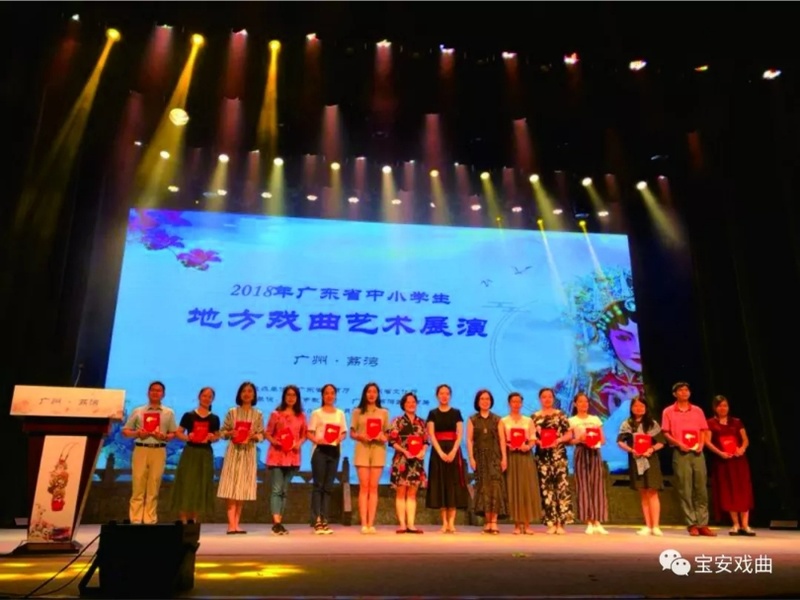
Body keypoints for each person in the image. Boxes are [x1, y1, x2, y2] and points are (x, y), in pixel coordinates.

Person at [661, 382, 715, 536]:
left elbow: (703, 430)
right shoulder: (668, 411)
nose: (684, 392)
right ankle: (691, 523)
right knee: (685, 488)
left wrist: (701, 444)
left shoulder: (697, 410)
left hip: (698, 453)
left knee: (701, 488)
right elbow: (666, 432)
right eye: (681, 390)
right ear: (674, 394)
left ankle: (703, 523)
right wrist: (679, 444)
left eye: (686, 390)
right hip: (681, 452)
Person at [122, 381, 178, 524]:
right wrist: (137, 433)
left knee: (154, 485)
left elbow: (173, 433)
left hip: (159, 449)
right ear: (148, 392)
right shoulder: (138, 411)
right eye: (153, 390)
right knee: (138, 485)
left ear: (163, 394)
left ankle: (150, 519)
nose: (155, 392)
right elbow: (126, 431)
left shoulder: (168, 412)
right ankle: (135, 519)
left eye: (159, 391)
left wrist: (164, 436)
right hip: (141, 449)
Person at [217, 382, 265, 534]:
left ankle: (237, 524)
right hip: (234, 452)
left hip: (248, 452)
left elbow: (262, 434)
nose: (247, 394)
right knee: (231, 487)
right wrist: (230, 433)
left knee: (243, 488)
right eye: (244, 391)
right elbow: (222, 432)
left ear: (254, 395)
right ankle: (231, 524)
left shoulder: (258, 414)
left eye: (250, 391)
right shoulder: (232, 412)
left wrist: (254, 436)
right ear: (239, 394)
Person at [705, 395, 755, 535]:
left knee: (743, 490)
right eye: (720, 406)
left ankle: (745, 525)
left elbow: (745, 440)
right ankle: (735, 524)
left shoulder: (737, 422)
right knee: (729, 491)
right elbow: (707, 441)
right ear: (715, 408)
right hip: (723, 462)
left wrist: (742, 449)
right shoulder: (710, 423)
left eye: (725, 405)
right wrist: (720, 453)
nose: (723, 408)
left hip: (739, 461)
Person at [171, 387, 221, 524]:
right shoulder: (189, 415)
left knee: (200, 485)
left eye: (210, 396)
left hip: (205, 453)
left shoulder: (214, 418)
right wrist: (188, 437)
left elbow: (217, 436)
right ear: (199, 397)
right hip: (190, 452)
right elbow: (178, 432)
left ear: (213, 399)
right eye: (204, 395)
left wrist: (212, 437)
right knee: (186, 484)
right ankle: (183, 519)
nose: (206, 398)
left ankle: (193, 519)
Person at [618, 396, 666, 536]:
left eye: (642, 406)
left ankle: (656, 526)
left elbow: (661, 442)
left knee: (652, 492)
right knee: (643, 492)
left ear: (646, 408)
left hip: (651, 460)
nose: (639, 408)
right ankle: (648, 525)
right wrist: (631, 450)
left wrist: (651, 449)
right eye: (636, 406)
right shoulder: (627, 424)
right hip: (636, 460)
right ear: (631, 408)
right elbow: (620, 442)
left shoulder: (652, 424)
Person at [265, 385, 308, 535]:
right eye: (288, 395)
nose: (291, 398)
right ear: (284, 396)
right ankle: (276, 522)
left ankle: (280, 522)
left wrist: (298, 443)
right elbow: (267, 433)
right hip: (277, 455)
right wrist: (275, 441)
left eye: (293, 395)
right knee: (277, 489)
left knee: (284, 490)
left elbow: (304, 435)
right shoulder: (276, 414)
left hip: (292, 456)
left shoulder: (301, 415)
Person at [426, 384, 469, 533]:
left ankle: (452, 523)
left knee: (453, 484)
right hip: (438, 452)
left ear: (450, 396)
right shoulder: (432, 413)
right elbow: (431, 435)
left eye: (447, 393)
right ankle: (444, 523)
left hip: (453, 451)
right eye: (441, 393)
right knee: (441, 485)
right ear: (437, 395)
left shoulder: (456, 413)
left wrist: (453, 451)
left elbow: (460, 434)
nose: (444, 396)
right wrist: (440, 452)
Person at [350, 382, 390, 534]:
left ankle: (371, 523)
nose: (372, 394)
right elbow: (352, 433)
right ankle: (363, 523)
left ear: (378, 394)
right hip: (362, 448)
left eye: (374, 392)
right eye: (369, 391)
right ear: (364, 394)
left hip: (378, 449)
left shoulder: (384, 412)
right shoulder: (357, 412)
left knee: (373, 487)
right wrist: (360, 436)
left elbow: (387, 434)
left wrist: (383, 437)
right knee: (364, 487)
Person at [307, 384, 347, 535]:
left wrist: (339, 438)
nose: (329, 396)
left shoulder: (340, 413)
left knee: (328, 487)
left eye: (332, 393)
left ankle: (325, 520)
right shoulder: (316, 413)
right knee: (318, 486)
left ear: (335, 395)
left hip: (334, 450)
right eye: (326, 393)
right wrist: (317, 440)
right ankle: (316, 519)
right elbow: (309, 433)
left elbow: (344, 432)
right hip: (320, 451)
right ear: (322, 396)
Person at [532, 387, 573, 534]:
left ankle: (561, 523)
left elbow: (569, 434)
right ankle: (551, 522)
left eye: (549, 396)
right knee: (546, 488)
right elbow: (532, 436)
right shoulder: (534, 417)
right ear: (540, 399)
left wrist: (559, 440)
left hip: (558, 455)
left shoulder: (560, 415)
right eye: (544, 397)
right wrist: (539, 442)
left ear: (553, 398)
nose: (547, 399)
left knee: (561, 487)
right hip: (542, 456)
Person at [467, 389, 508, 534]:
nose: (485, 401)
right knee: (483, 488)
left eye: (487, 399)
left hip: (495, 457)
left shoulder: (497, 419)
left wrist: (504, 458)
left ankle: (494, 522)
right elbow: (469, 440)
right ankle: (487, 521)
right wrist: (471, 458)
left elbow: (502, 440)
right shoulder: (472, 419)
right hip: (479, 458)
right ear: (478, 402)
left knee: (495, 488)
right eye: (482, 399)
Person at [501, 392, 542, 534]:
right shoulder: (504, 421)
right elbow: (502, 440)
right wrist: (509, 446)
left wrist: (528, 446)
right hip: (512, 456)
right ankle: (517, 525)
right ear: (509, 403)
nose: (516, 404)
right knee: (514, 488)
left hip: (525, 457)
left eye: (518, 401)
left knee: (526, 488)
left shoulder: (528, 420)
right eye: (513, 401)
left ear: (522, 403)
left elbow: (533, 438)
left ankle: (527, 524)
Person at [568, 392, 609, 534]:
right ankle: (588, 521)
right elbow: (569, 441)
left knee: (597, 486)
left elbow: (603, 440)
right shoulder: (571, 420)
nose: (583, 404)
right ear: (575, 404)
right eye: (580, 401)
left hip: (595, 452)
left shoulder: (595, 419)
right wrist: (580, 439)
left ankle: (598, 520)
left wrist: (594, 440)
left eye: (586, 401)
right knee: (583, 486)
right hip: (581, 451)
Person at [388, 392, 428, 533]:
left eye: (413, 402)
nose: (411, 404)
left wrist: (423, 451)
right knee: (401, 492)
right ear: (403, 405)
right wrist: (404, 451)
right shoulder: (397, 421)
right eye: (408, 402)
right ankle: (402, 524)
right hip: (402, 460)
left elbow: (426, 441)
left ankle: (411, 524)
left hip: (416, 461)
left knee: (412, 493)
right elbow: (392, 441)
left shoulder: (422, 422)